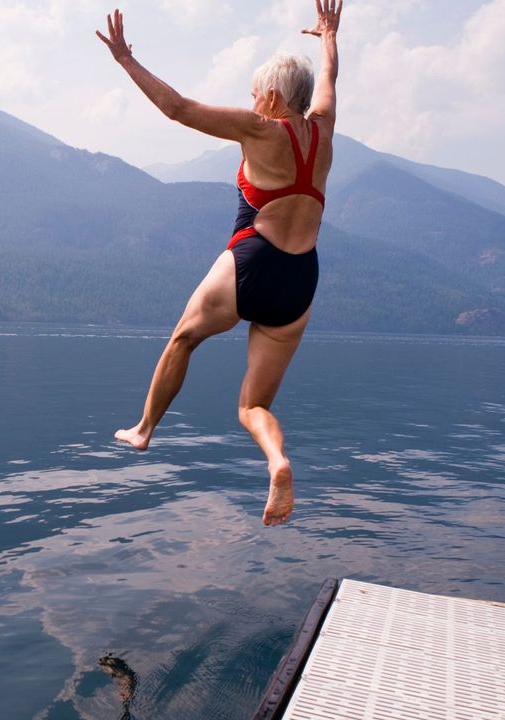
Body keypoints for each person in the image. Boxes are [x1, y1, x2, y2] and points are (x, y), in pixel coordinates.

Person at [97, 1, 343, 526]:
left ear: (273, 97)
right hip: (301, 281)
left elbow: (178, 108)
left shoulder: (261, 129)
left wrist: (126, 61)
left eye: (255, 93)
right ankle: (277, 461)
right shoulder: (324, 128)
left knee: (185, 337)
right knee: (252, 406)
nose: (252, 101)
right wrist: (328, 36)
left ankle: (144, 429)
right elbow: (328, 76)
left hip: (252, 260)